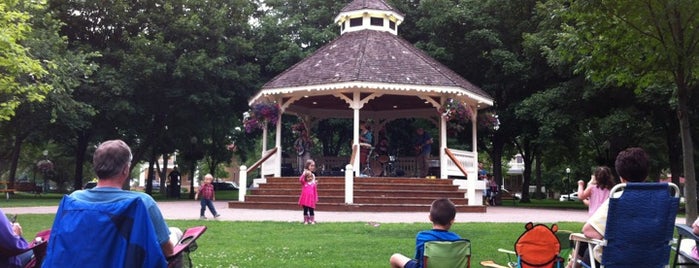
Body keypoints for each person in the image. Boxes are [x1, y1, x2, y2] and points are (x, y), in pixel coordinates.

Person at [69, 139, 179, 257]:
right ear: (126, 169)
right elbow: (168, 250)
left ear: (96, 168)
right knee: (176, 232)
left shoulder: (74, 199)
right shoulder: (142, 202)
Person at [572, 147, 650, 267]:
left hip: (617, 261)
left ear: (622, 178)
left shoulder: (619, 198)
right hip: (648, 260)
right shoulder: (661, 200)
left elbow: (588, 230)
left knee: (590, 250)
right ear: (646, 175)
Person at [389, 198, 462, 268]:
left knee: (395, 258)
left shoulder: (422, 236)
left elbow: (418, 259)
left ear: (430, 218)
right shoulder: (458, 241)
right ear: (452, 221)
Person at [298, 159, 319, 224]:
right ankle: (306, 220)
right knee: (305, 209)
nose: (313, 167)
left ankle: (311, 219)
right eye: (311, 166)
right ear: (307, 166)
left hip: (311, 195)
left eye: (314, 166)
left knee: (311, 208)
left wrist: (315, 183)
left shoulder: (313, 175)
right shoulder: (305, 174)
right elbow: (301, 180)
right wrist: (304, 174)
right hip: (305, 196)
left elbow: (313, 187)